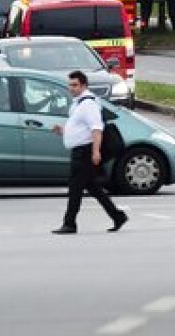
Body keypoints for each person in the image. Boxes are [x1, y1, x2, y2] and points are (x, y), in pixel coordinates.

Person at [51, 71, 127, 234]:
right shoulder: (77, 104)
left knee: (75, 188)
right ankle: (117, 216)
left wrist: (96, 151)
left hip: (84, 152)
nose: (71, 88)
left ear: (84, 86)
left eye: (75, 85)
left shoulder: (88, 104)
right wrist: (63, 130)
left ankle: (70, 223)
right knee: (93, 187)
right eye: (70, 85)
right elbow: (80, 128)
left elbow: (96, 129)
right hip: (79, 150)